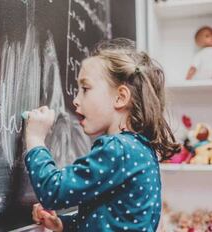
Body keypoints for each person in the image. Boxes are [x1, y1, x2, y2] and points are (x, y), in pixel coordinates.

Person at [24, 38, 180, 231]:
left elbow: (53, 192)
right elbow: (109, 219)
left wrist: (35, 139)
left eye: (85, 89)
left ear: (120, 97)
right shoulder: (140, 148)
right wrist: (62, 224)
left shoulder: (117, 149)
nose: (75, 100)